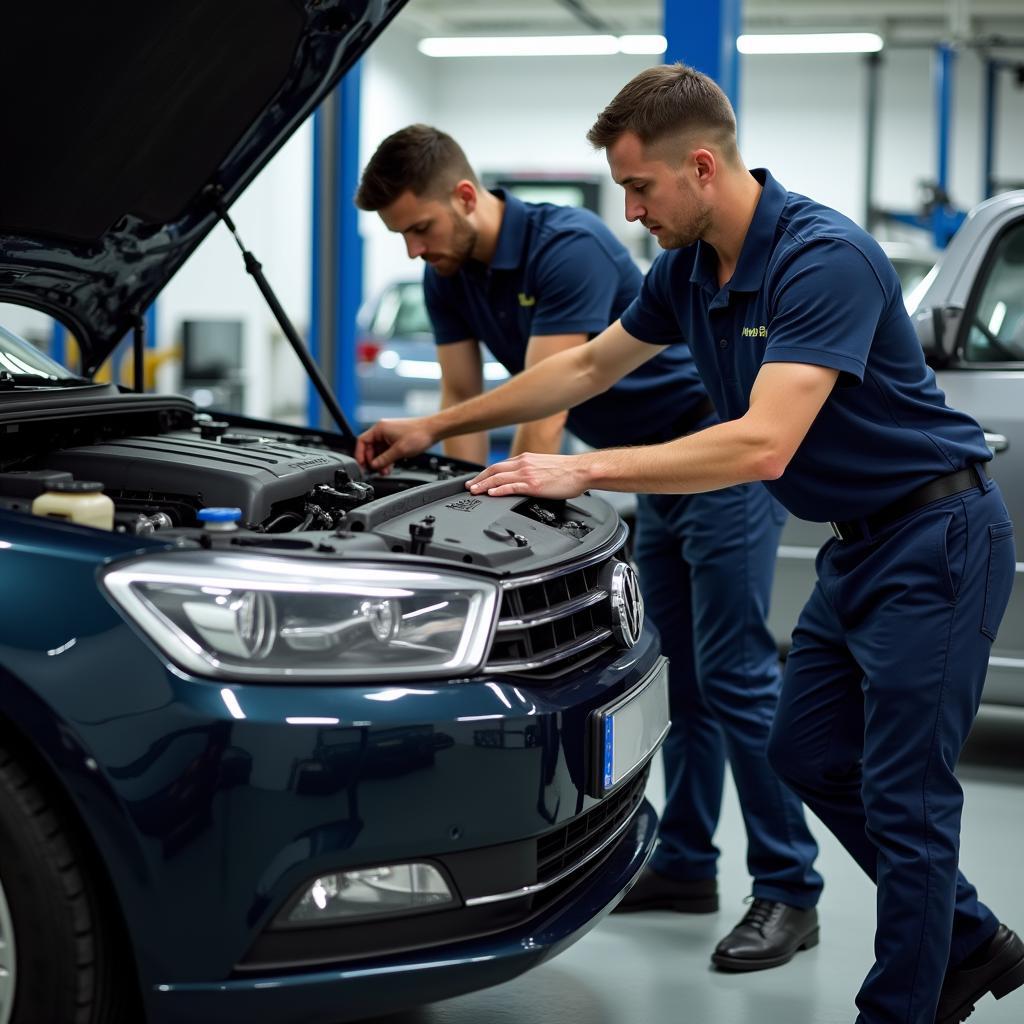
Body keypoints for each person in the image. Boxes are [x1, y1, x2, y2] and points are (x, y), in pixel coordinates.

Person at [356, 69, 1024, 1024]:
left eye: (638, 188)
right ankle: (969, 935)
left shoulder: (821, 257)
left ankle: (908, 1003)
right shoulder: (685, 271)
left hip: (937, 535)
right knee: (805, 750)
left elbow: (762, 442)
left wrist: (583, 472)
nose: (628, 212)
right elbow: (587, 365)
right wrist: (435, 427)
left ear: (700, 167)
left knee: (906, 794)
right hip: (858, 545)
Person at [354, 124, 823, 971]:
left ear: (465, 197)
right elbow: (464, 396)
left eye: (420, 228)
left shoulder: (564, 247)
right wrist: (454, 530)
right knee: (672, 669)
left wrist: (506, 531)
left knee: (736, 673)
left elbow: (551, 407)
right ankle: (685, 862)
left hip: (711, 454)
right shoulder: (449, 271)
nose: (416, 249)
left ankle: (790, 887)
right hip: (647, 475)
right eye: (402, 239)